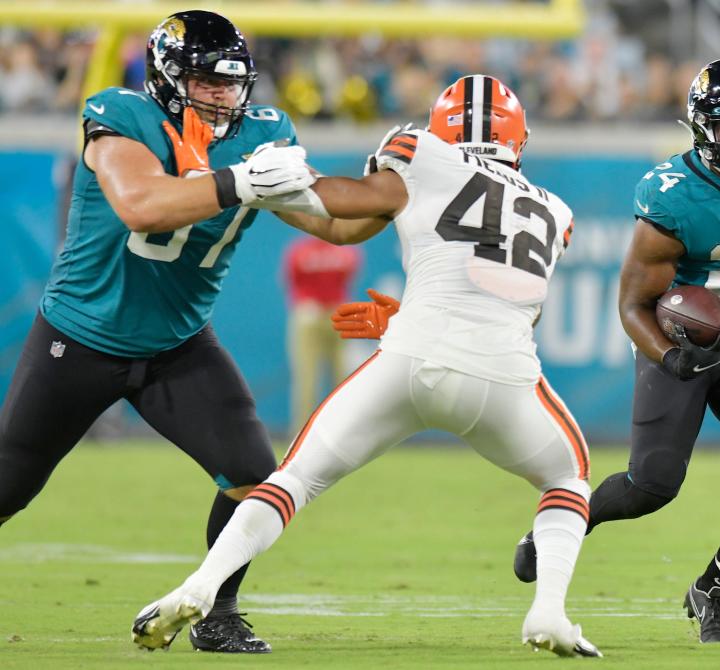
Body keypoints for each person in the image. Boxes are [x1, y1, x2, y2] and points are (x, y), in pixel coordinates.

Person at [130, 74, 601, 658]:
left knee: (293, 479)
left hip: (408, 357)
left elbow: (353, 205)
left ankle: (201, 584)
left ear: (441, 128)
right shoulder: (555, 211)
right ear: (518, 139)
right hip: (502, 374)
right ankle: (550, 611)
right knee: (568, 477)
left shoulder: (421, 150)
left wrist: (266, 185)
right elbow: (503, 304)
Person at [0, 10, 321, 653]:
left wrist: (395, 186)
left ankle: (218, 612)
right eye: (207, 81)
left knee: (255, 478)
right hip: (80, 337)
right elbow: (141, 204)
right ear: (171, 77)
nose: (224, 94)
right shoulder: (121, 117)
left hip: (178, 343)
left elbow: (336, 225)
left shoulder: (264, 132)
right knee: (9, 486)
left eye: (233, 81)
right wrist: (237, 182)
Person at [513, 58, 720, 644]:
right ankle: (561, 526)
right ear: (703, 132)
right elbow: (633, 305)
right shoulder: (675, 195)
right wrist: (671, 358)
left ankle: (714, 587)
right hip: (685, 339)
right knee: (650, 488)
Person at [282, 235, 362, 436]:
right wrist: (302, 303)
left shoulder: (345, 251)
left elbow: (347, 281)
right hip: (309, 314)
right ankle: (302, 435)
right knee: (307, 378)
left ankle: (344, 432)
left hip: (337, 313)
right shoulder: (301, 250)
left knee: (342, 376)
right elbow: (292, 281)